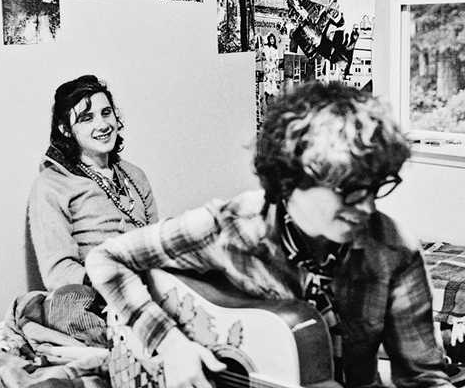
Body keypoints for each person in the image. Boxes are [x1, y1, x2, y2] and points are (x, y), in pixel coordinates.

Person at [86, 81, 454, 388]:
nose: (368, 206)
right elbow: (107, 258)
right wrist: (170, 344)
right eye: (349, 190)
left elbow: (423, 378)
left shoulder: (394, 251)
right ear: (290, 178)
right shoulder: (232, 226)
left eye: (375, 187)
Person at [28, 75, 158, 292]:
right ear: (66, 129)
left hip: (152, 286)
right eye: (87, 118)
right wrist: (111, 281)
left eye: (106, 113)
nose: (103, 125)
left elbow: (158, 244)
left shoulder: (135, 176)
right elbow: (57, 272)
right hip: (99, 295)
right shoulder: (51, 185)